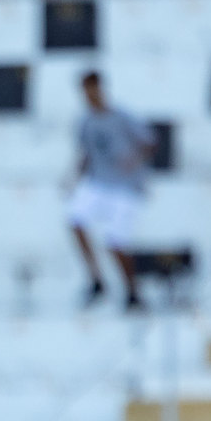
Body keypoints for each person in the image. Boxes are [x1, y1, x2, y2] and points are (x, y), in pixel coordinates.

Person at [67, 70, 156, 311]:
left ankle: (132, 292)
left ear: (101, 89)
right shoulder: (85, 121)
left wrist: (133, 162)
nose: (90, 95)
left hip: (125, 187)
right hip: (99, 182)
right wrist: (75, 178)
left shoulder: (122, 117)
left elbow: (149, 143)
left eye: (93, 89)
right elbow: (85, 153)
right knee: (75, 219)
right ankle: (97, 280)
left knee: (116, 242)